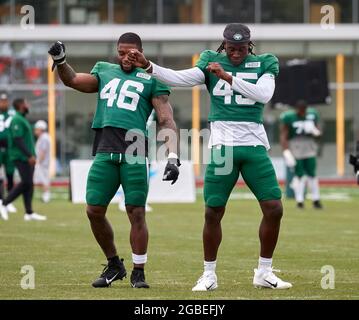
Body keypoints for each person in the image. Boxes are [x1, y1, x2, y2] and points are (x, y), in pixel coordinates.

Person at [129, 23, 292, 290]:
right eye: (231, 48)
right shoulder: (209, 60)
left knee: (274, 208)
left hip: (253, 145)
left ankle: (264, 271)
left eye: (241, 48)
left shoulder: (265, 62)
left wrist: (227, 76)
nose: (236, 53)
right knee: (212, 212)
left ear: (249, 45)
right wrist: (149, 66)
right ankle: (209, 274)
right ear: (223, 45)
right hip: (223, 146)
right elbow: (180, 78)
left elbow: (264, 95)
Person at [48, 32, 180, 289]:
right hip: (105, 148)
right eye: (121, 52)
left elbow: (166, 118)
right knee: (94, 210)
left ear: (140, 52)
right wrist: (61, 60)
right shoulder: (105, 70)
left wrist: (172, 155)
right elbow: (73, 80)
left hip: (134, 150)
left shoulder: (153, 78)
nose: (125, 57)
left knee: (136, 212)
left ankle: (138, 271)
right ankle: (114, 264)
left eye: (130, 53)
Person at [0, 98, 47, 221]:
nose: (28, 105)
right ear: (21, 105)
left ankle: (29, 213)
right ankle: (4, 203)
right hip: (20, 156)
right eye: (26, 103)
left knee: (29, 184)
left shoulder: (22, 118)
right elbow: (17, 139)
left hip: (27, 157)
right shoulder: (16, 119)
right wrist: (29, 155)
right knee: (26, 182)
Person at [280, 100, 323, 209]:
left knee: (312, 173)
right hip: (295, 145)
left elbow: (318, 134)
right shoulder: (289, 117)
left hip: (309, 145)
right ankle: (299, 200)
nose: (303, 113)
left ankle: (316, 199)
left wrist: (315, 132)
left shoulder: (312, 115)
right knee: (299, 174)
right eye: (301, 111)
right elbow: (284, 134)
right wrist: (285, 150)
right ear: (297, 110)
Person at [0, 93, 17, 220]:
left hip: (9, 149)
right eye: (1, 101)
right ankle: (1, 200)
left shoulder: (12, 114)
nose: (3, 103)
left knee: (10, 174)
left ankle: (9, 201)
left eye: (5, 101)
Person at [34, 120, 51, 203]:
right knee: (43, 180)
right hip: (43, 162)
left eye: (37, 129)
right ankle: (45, 195)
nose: (35, 131)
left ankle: (46, 196)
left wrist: (38, 162)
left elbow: (43, 152)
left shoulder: (44, 138)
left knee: (44, 180)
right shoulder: (43, 137)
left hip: (42, 163)